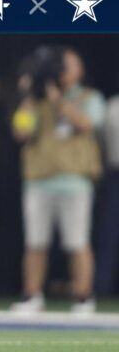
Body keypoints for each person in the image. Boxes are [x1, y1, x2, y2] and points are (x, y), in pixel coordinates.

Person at [10, 47, 104, 313]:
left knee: (77, 242)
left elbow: (86, 124)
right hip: (38, 180)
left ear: (79, 71)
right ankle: (31, 296)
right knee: (35, 242)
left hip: (74, 181)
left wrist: (57, 98)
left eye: (68, 66)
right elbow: (20, 131)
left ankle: (83, 297)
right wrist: (30, 96)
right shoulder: (35, 100)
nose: (62, 70)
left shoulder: (88, 97)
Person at [95, 94, 119, 295]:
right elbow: (100, 142)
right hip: (115, 174)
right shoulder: (112, 106)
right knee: (109, 233)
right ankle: (102, 287)